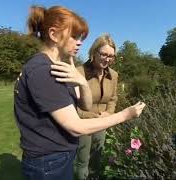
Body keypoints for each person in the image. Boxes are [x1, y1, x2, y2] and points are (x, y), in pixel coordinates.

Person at [14, 5, 146, 180]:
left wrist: (82, 83)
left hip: (57, 157)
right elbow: (75, 127)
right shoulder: (43, 71)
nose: (80, 42)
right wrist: (126, 114)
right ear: (54, 34)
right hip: (48, 162)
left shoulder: (58, 68)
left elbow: (84, 104)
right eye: (75, 36)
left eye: (81, 37)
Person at [74, 34, 119, 180]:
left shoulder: (114, 75)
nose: (107, 59)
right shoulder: (78, 72)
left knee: (97, 158)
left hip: (102, 123)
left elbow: (113, 98)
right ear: (94, 52)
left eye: (111, 56)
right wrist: (92, 117)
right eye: (104, 54)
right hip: (83, 123)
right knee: (82, 161)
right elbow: (72, 102)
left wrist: (109, 113)